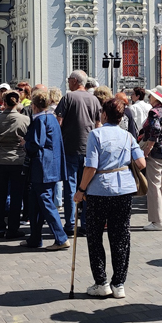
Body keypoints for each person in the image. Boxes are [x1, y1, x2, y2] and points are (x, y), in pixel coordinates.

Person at [74, 97, 146, 297]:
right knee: (121, 237)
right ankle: (119, 283)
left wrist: (81, 189)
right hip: (123, 189)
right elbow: (141, 163)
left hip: (99, 190)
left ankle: (101, 282)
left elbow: (91, 167)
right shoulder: (127, 136)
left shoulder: (96, 135)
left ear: (104, 115)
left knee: (95, 236)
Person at [55, 70, 101, 237]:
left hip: (70, 148)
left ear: (75, 81)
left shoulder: (68, 97)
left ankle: (70, 223)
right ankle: (86, 224)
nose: (68, 82)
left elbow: (58, 123)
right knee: (87, 186)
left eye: (69, 80)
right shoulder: (94, 99)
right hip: (89, 149)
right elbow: (98, 125)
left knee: (70, 187)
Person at [23, 89, 69, 250]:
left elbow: (36, 143)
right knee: (35, 202)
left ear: (34, 106)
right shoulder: (52, 118)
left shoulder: (39, 120)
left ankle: (61, 237)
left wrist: (24, 144)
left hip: (42, 167)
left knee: (45, 200)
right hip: (52, 165)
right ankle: (35, 238)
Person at [0, 90, 29, 238]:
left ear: (3, 102)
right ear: (18, 102)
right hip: (18, 160)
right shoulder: (25, 119)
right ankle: (13, 228)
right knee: (17, 195)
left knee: (0, 195)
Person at [139, 86, 162, 231]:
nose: (150, 97)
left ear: (157, 98)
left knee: (154, 186)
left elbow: (154, 131)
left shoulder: (154, 112)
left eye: (152, 95)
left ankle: (157, 221)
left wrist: (147, 149)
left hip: (156, 152)